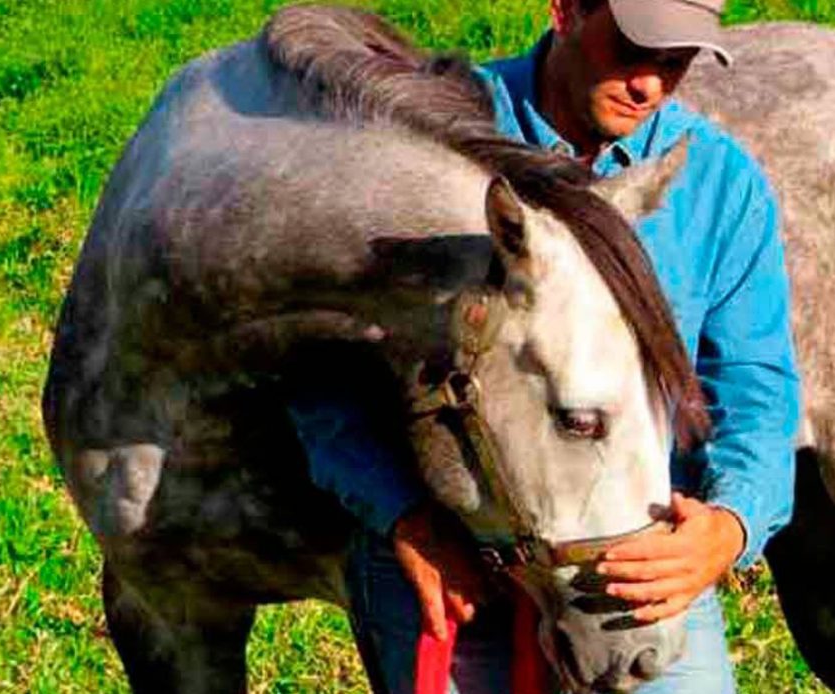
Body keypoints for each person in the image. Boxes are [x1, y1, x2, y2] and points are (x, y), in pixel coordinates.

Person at [286, 0, 801, 691]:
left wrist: (729, 527)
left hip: (628, 556)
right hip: (456, 554)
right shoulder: (420, 149)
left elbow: (758, 388)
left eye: (676, 62)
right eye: (632, 47)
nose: (650, 84)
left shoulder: (718, 184)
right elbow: (320, 366)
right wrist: (403, 515)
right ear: (565, 10)